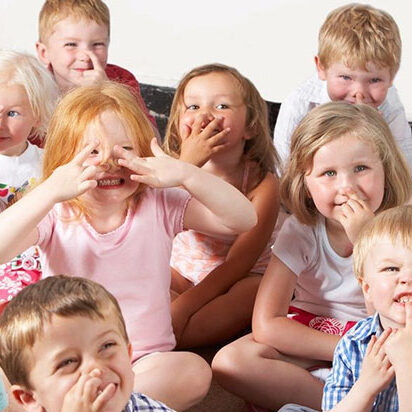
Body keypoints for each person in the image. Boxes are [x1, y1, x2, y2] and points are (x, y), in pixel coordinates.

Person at [0, 80, 257, 411]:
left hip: (140, 361)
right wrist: (49, 190)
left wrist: (185, 174)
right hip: (65, 362)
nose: (110, 162)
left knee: (193, 372)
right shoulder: (56, 210)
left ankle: (89, 405)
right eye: (91, 152)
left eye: (126, 150)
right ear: (64, 159)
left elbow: (242, 219)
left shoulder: (160, 201)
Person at [212, 102, 412, 411]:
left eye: (361, 168)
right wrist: (345, 351)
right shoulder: (301, 230)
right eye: (328, 173)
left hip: (381, 339)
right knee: (230, 362)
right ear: (305, 184)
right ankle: (349, 401)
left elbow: (384, 310)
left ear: (386, 168)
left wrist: (366, 241)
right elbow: (267, 323)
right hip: (315, 336)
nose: (347, 187)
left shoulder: (401, 229)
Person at [163, 63, 280, 349]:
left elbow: (238, 265)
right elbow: (149, 221)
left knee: (255, 291)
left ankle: (177, 333)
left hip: (235, 277)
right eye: (192, 106)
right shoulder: (169, 168)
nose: (204, 116)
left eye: (222, 106)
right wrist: (186, 166)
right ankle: (172, 330)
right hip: (180, 270)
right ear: (179, 121)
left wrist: (185, 307)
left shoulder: (263, 184)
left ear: (250, 126)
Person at [0, 274, 176, 412]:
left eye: (107, 346)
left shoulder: (145, 407)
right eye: (67, 362)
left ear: (128, 353)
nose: (95, 368)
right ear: (29, 398)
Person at [273, 3, 412, 173]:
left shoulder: (390, 105)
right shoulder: (299, 104)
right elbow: (283, 172)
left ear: (392, 76)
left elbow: (405, 172)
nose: (358, 92)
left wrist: (378, 134)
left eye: (375, 80)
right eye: (346, 77)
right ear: (321, 68)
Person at [322, 205, 412, 411]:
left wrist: (407, 363)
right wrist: (365, 386)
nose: (407, 278)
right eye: (391, 268)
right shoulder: (354, 343)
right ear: (367, 288)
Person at [34, 0, 157, 143]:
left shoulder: (121, 79)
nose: (85, 56)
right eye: (71, 44)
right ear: (44, 52)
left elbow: (152, 142)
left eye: (98, 44)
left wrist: (108, 92)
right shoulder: (34, 89)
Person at [0, 50, 58, 311]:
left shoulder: (49, 163)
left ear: (36, 115)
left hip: (39, 263)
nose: (0, 123)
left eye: (12, 114)